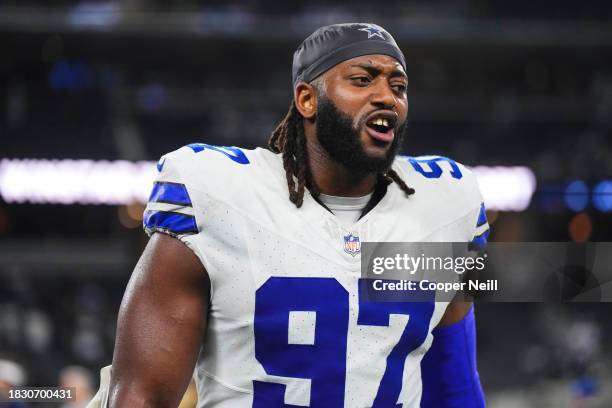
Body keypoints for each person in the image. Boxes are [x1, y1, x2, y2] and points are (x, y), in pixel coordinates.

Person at [106, 23, 489, 407]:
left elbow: (454, 388)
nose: (386, 97)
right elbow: (142, 396)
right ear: (307, 100)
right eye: (362, 80)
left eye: (398, 86)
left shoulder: (441, 206)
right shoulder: (220, 196)